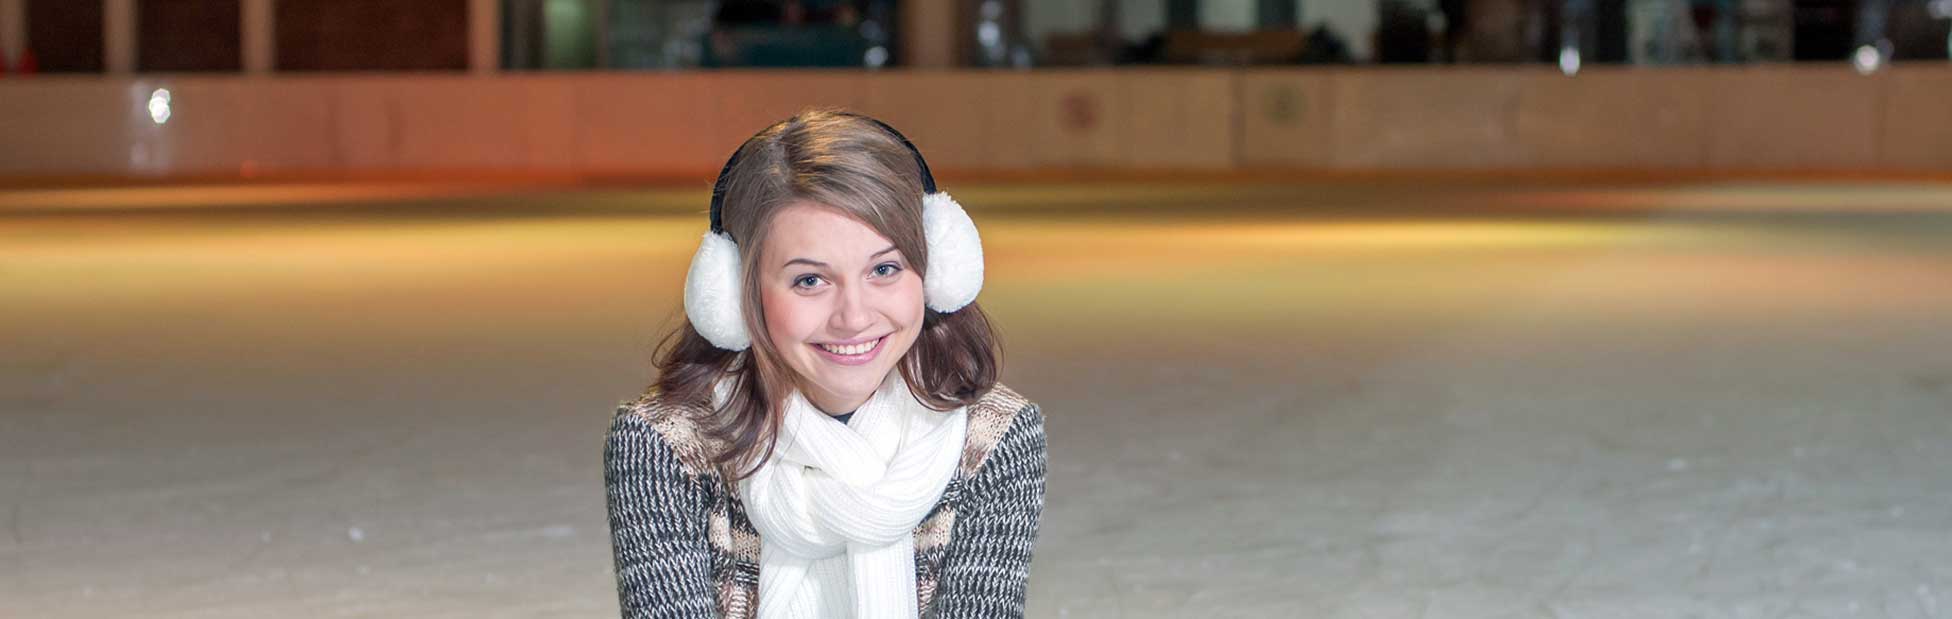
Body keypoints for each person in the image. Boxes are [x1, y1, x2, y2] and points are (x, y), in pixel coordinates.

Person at [604, 109, 1048, 619]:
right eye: (810, 280)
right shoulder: (667, 445)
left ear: (935, 274)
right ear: (734, 296)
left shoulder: (992, 437)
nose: (854, 317)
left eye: (884, 269)